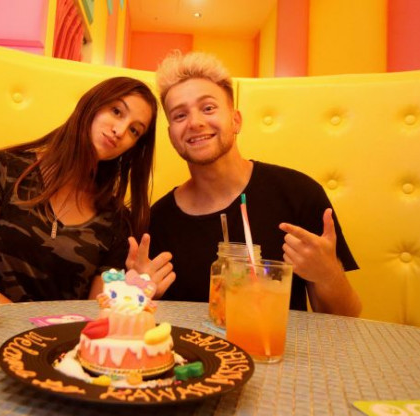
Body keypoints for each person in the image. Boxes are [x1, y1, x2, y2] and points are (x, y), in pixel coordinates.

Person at [149, 51, 362, 317]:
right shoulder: (158, 220)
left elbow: (346, 319)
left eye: (208, 108)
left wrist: (329, 274)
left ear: (235, 120)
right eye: (180, 116)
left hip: (277, 343)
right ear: (171, 135)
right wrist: (139, 292)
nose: (195, 122)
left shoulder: (298, 193)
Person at [0, 76, 168, 303]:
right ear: (91, 104)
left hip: (72, 328)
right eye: (116, 111)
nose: (120, 131)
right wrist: (32, 325)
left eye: (134, 131)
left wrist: (133, 294)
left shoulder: (116, 221)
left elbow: (96, 311)